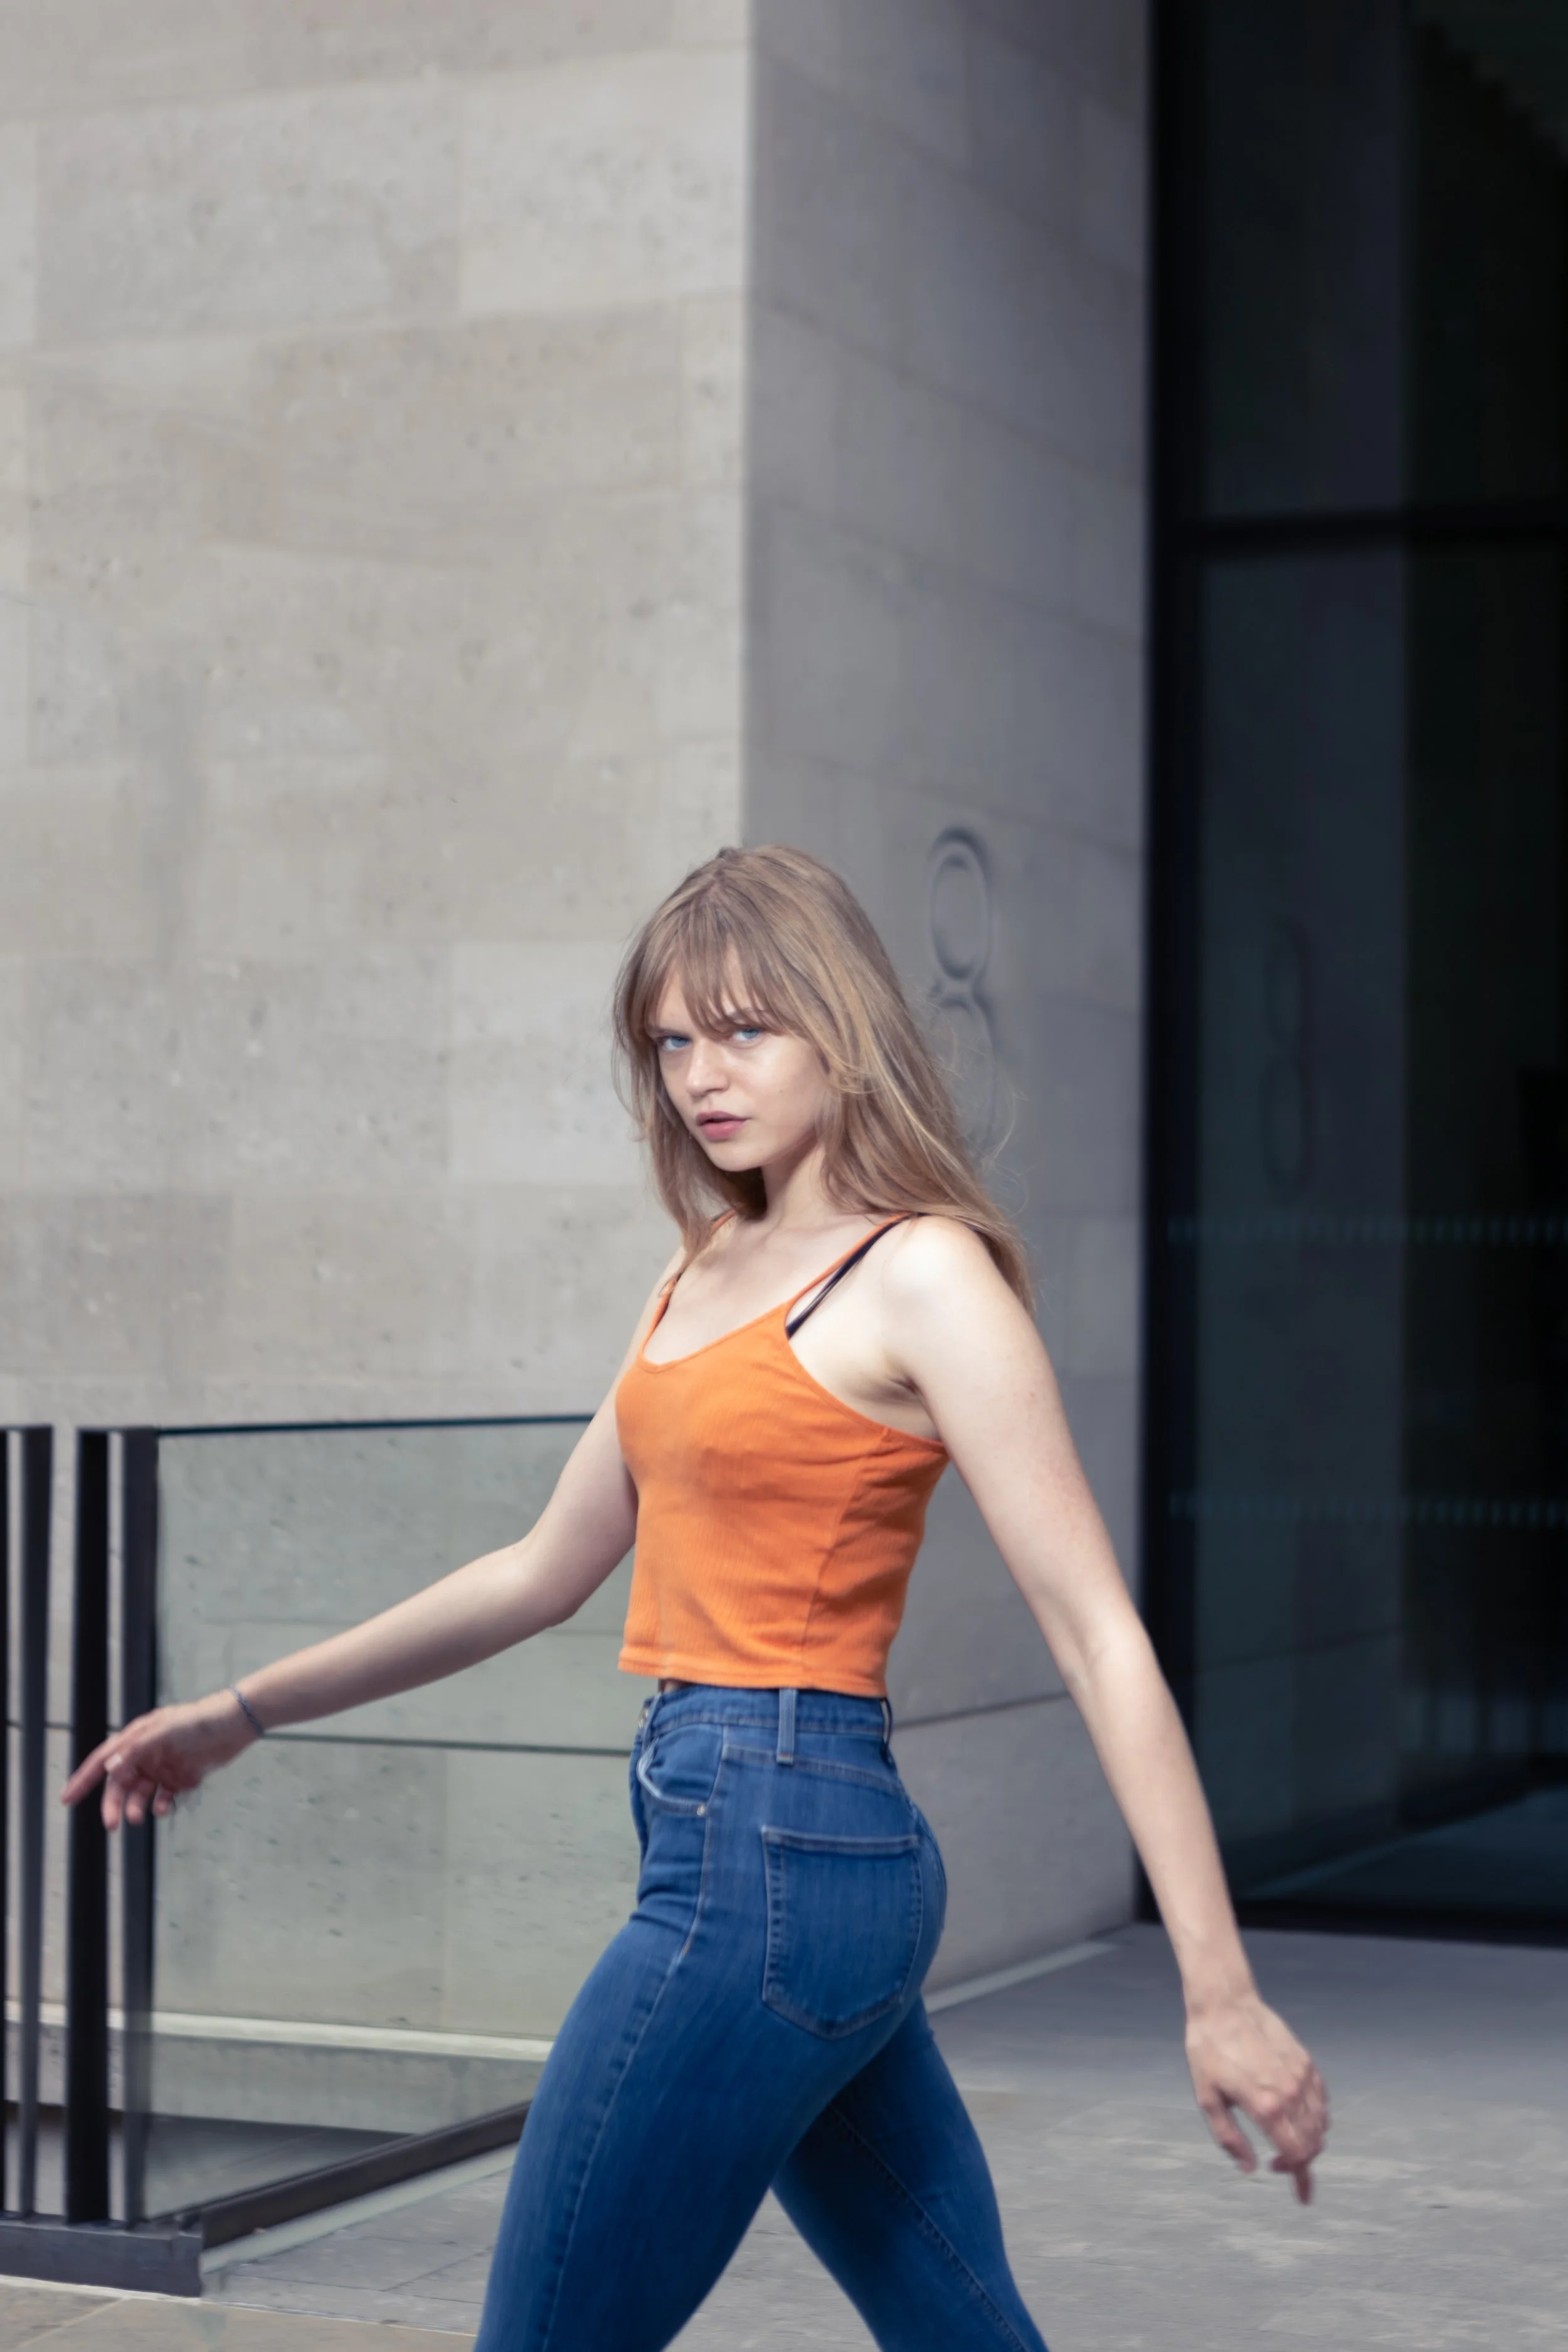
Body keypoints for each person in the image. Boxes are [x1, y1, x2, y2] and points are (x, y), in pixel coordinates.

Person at [63, 845, 1327, 2350]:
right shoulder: (704, 1267)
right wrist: (240, 1711)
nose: (699, 1077)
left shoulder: (921, 1275)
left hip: (775, 1849)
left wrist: (1217, 1989)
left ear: (840, 1029)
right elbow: (536, 1572)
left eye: (742, 1030)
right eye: (669, 1042)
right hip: (758, 1846)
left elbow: (1095, 1637)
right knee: (959, 2325)